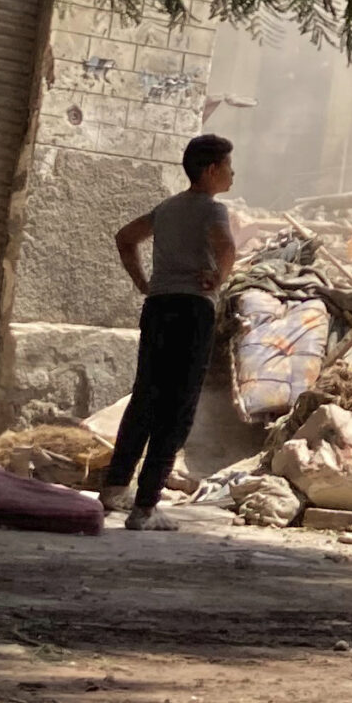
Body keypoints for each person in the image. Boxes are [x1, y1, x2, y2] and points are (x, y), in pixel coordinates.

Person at [99, 134, 239, 529]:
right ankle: (146, 507)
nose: (233, 173)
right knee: (178, 408)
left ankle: (114, 488)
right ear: (211, 170)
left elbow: (125, 238)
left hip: (157, 308)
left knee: (145, 397)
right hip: (193, 311)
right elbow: (227, 249)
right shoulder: (213, 210)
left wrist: (144, 283)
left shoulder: (167, 208)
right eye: (229, 165)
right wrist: (219, 278)